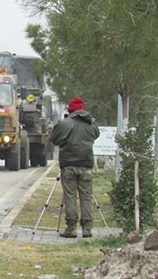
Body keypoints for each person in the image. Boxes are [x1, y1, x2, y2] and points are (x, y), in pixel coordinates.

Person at [50, 96, 100, 238]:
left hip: (68, 165)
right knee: (86, 196)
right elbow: (96, 135)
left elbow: (54, 139)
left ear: (70, 110)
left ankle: (71, 228)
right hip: (86, 165)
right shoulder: (91, 124)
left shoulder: (65, 124)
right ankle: (87, 229)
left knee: (70, 196)